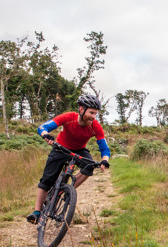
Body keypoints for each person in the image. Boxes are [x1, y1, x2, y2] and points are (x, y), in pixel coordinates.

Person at [26, 94, 111, 224]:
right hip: (60, 148)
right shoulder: (68, 117)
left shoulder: (96, 126)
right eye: (91, 112)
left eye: (96, 114)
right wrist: (46, 135)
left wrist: (105, 160)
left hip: (79, 150)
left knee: (89, 167)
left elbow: (104, 148)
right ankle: (37, 212)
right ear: (81, 110)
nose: (94, 117)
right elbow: (42, 127)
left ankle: (65, 191)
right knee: (47, 179)